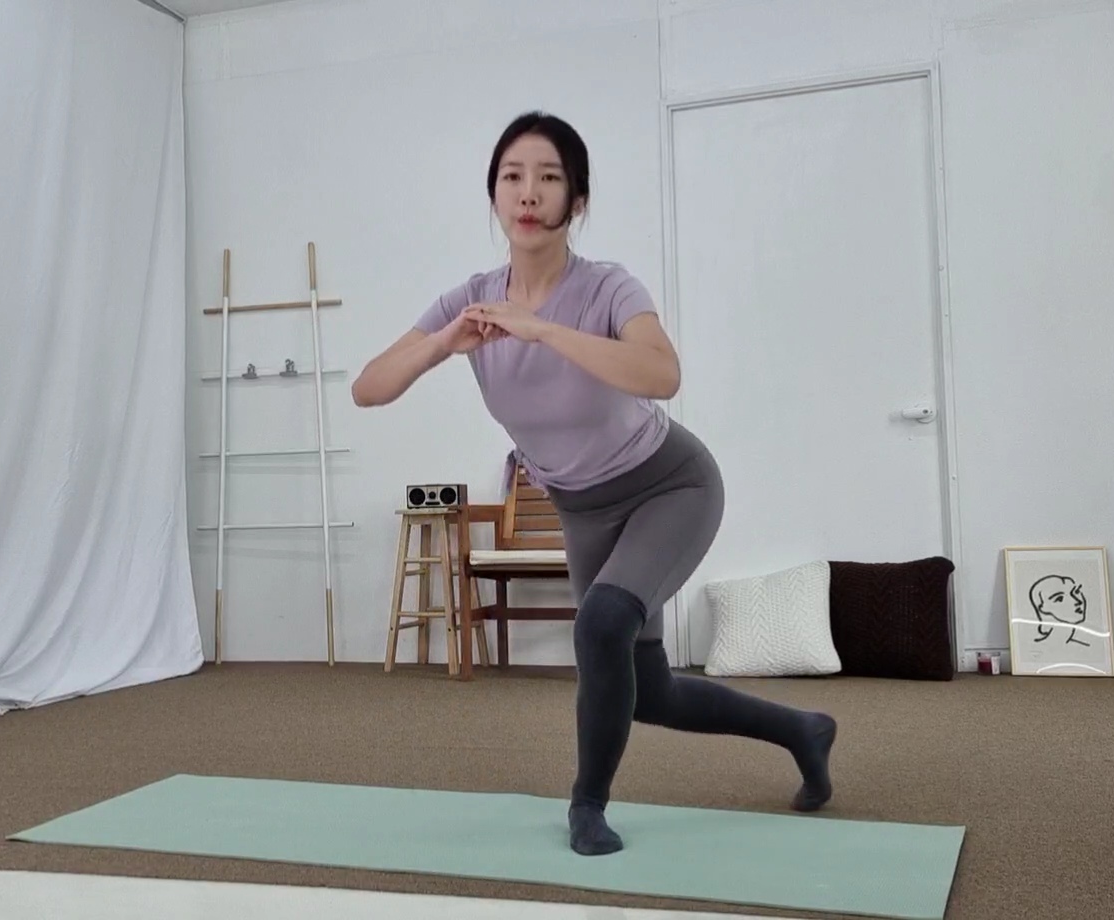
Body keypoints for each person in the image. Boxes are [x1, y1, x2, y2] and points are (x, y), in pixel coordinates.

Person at [351, 111, 838, 857]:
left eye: (549, 177)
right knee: (651, 691)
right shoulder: (469, 301)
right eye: (512, 176)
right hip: (582, 511)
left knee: (601, 625)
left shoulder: (608, 288)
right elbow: (369, 388)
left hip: (669, 486)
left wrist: (543, 329)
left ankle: (587, 805)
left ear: (576, 200)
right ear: (494, 195)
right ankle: (803, 730)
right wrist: (445, 343)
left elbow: (662, 374)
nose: (529, 192)